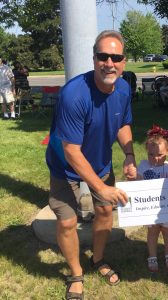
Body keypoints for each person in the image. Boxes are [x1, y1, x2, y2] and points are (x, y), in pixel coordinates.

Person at [45, 30, 136, 300]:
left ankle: (98, 260)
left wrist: (129, 155)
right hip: (65, 166)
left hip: (100, 162)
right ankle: (75, 273)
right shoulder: (74, 94)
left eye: (116, 57)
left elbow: (122, 123)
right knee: (67, 222)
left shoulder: (123, 87)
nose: (109, 62)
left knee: (105, 212)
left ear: (124, 61)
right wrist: (100, 187)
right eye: (103, 56)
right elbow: (71, 151)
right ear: (94, 58)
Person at [135, 124, 168, 272]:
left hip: (167, 209)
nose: (155, 159)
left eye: (159, 155)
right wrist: (133, 178)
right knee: (153, 231)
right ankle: (152, 256)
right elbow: (137, 185)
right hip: (150, 209)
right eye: (151, 155)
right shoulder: (142, 166)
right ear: (146, 151)